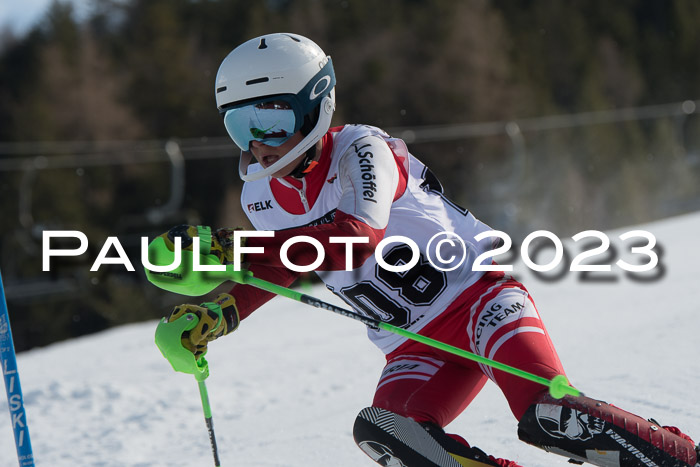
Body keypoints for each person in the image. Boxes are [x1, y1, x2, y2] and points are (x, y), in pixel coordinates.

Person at [159, 33, 698, 467]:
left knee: (548, 414)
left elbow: (354, 238)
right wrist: (219, 310)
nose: (260, 142)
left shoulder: (362, 151)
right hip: (413, 345)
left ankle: (682, 459)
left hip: (481, 301)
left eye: (272, 120)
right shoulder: (258, 193)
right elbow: (283, 261)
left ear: (315, 106)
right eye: (241, 125)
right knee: (388, 434)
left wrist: (232, 249)